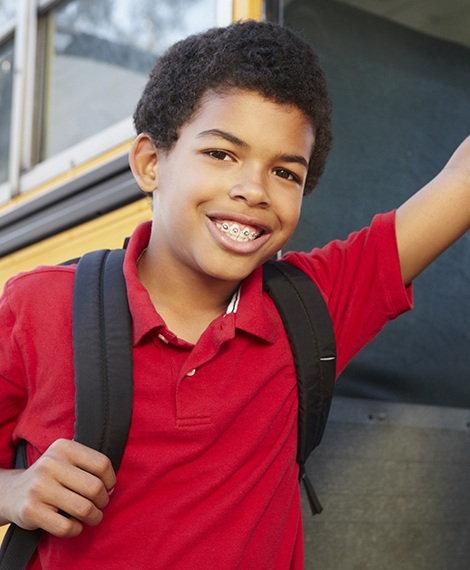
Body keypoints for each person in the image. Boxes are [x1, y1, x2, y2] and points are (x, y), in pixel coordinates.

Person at [0, 19, 468, 570]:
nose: (253, 190)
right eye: (222, 154)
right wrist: (14, 491)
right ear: (152, 163)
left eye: (286, 173)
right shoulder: (40, 307)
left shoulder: (309, 308)